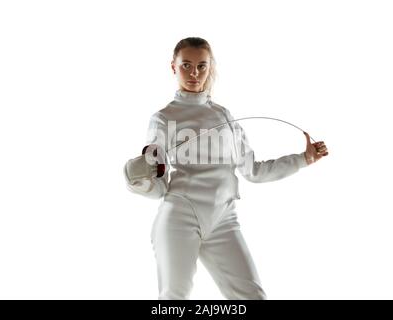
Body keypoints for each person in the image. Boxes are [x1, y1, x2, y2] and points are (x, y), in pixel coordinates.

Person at [124, 37, 328, 300]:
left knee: (253, 297)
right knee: (174, 299)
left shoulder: (224, 116)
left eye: (201, 66)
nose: (194, 73)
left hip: (224, 219)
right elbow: (158, 185)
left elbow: (254, 171)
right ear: (173, 67)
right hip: (180, 217)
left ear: (210, 67)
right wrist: (140, 176)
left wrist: (304, 159)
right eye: (186, 65)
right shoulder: (163, 119)